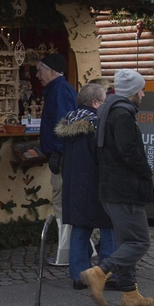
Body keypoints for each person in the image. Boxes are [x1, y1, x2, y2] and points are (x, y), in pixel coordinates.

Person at [80, 69, 154, 306]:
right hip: (125, 189)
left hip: (111, 187)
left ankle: (130, 294)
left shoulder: (107, 110)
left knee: (127, 242)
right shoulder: (122, 114)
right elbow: (129, 151)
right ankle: (100, 272)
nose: (143, 95)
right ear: (133, 91)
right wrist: (146, 172)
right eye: (141, 90)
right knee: (139, 241)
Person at [56, 82, 113, 288]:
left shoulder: (69, 122)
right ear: (95, 102)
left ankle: (79, 276)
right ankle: (107, 273)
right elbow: (103, 157)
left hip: (74, 185)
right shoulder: (97, 124)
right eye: (104, 101)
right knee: (109, 227)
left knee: (80, 229)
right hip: (96, 184)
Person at [36, 53, 78, 266]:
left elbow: (63, 125)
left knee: (62, 204)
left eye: (40, 71)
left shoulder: (59, 91)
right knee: (64, 203)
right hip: (63, 156)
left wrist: (58, 152)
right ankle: (77, 249)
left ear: (52, 71)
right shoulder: (60, 89)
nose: (37, 75)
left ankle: (67, 252)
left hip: (62, 157)